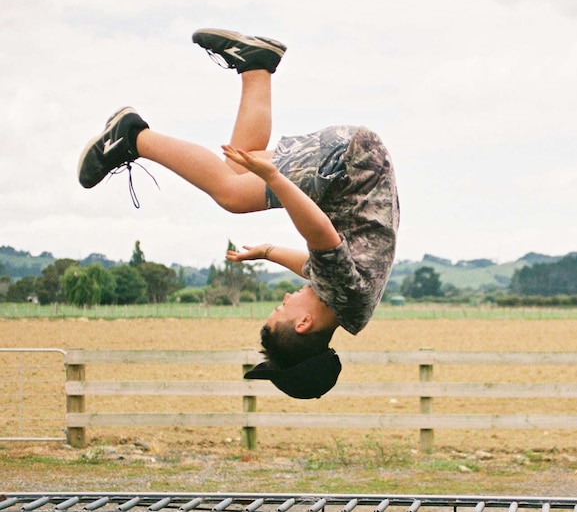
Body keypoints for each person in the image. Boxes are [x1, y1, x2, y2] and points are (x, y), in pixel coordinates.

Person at [77, 28, 400, 399]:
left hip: (355, 165)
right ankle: (132, 138)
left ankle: (256, 66)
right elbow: (320, 235)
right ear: (304, 323)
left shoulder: (346, 308)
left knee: (236, 168)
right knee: (231, 194)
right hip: (350, 164)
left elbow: (316, 265)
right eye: (281, 308)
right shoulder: (343, 295)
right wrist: (275, 178)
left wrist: (266, 252)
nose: (284, 299)